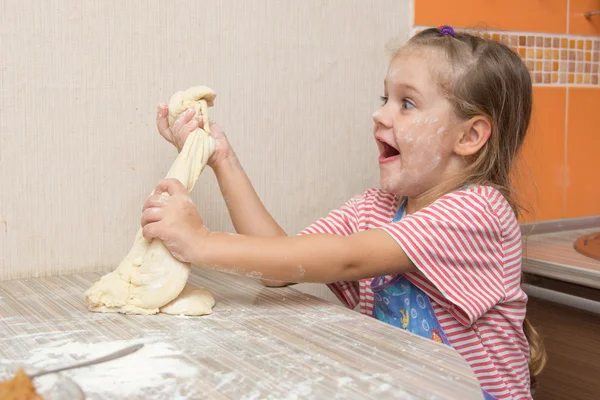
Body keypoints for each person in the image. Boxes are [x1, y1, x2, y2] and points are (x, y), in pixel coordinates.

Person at [146, 26, 545, 399]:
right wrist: (222, 158)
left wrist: (202, 243)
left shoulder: (479, 212)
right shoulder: (378, 208)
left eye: (406, 103)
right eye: (384, 99)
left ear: (469, 136)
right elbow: (278, 264)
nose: (380, 115)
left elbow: (346, 258)